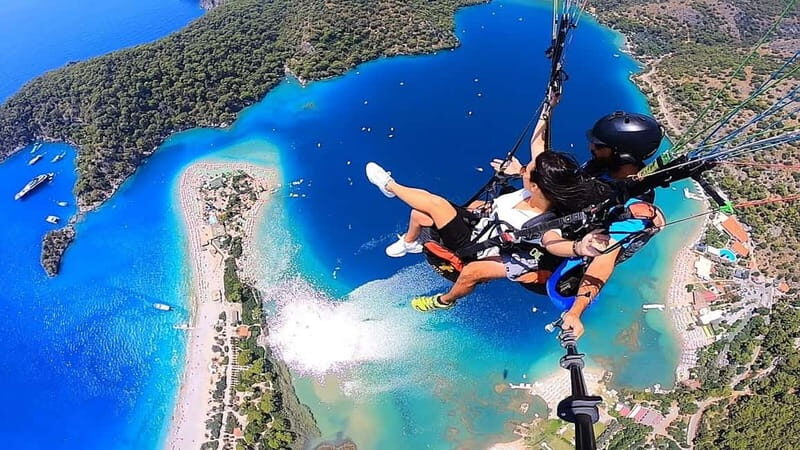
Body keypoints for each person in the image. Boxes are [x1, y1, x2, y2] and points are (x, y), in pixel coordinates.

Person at [365, 150, 613, 313]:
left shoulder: (543, 224)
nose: (522, 169)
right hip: (478, 227)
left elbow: (552, 242)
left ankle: (389, 186)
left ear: (536, 185)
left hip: (474, 248)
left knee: (434, 205)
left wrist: (578, 247)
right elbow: (538, 147)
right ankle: (410, 243)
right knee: (419, 214)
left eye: (526, 170)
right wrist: (548, 108)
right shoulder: (529, 192)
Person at [493, 110, 667, 338]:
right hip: (565, 226)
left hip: (569, 253)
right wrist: (523, 171)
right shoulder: (598, 168)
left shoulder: (634, 209)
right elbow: (555, 176)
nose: (591, 147)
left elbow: (604, 259)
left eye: (598, 145)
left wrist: (575, 313)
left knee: (481, 266)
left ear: (620, 155)